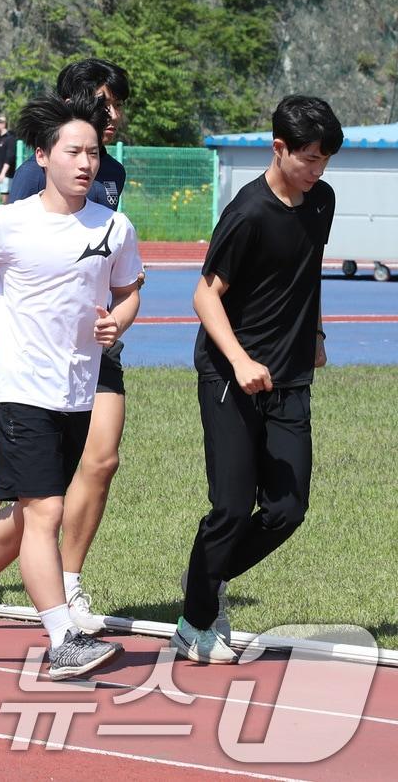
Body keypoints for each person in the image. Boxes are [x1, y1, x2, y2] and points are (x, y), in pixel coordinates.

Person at [0, 93, 141, 681]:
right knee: (45, 510)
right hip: (20, 387)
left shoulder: (114, 226)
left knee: (29, 518)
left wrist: (116, 322)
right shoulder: (9, 221)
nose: (86, 163)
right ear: (43, 155)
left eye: (94, 153)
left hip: (78, 388)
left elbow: (128, 292)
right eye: (73, 151)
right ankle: (61, 638)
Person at [173, 95, 340, 664]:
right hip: (230, 377)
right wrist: (242, 361)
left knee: (288, 509)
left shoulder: (321, 202)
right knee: (230, 507)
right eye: (310, 158)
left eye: (325, 160)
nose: (318, 170)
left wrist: (315, 336)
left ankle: (205, 579)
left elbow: (306, 273)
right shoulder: (247, 212)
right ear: (279, 148)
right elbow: (204, 295)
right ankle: (196, 619)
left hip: (291, 379)